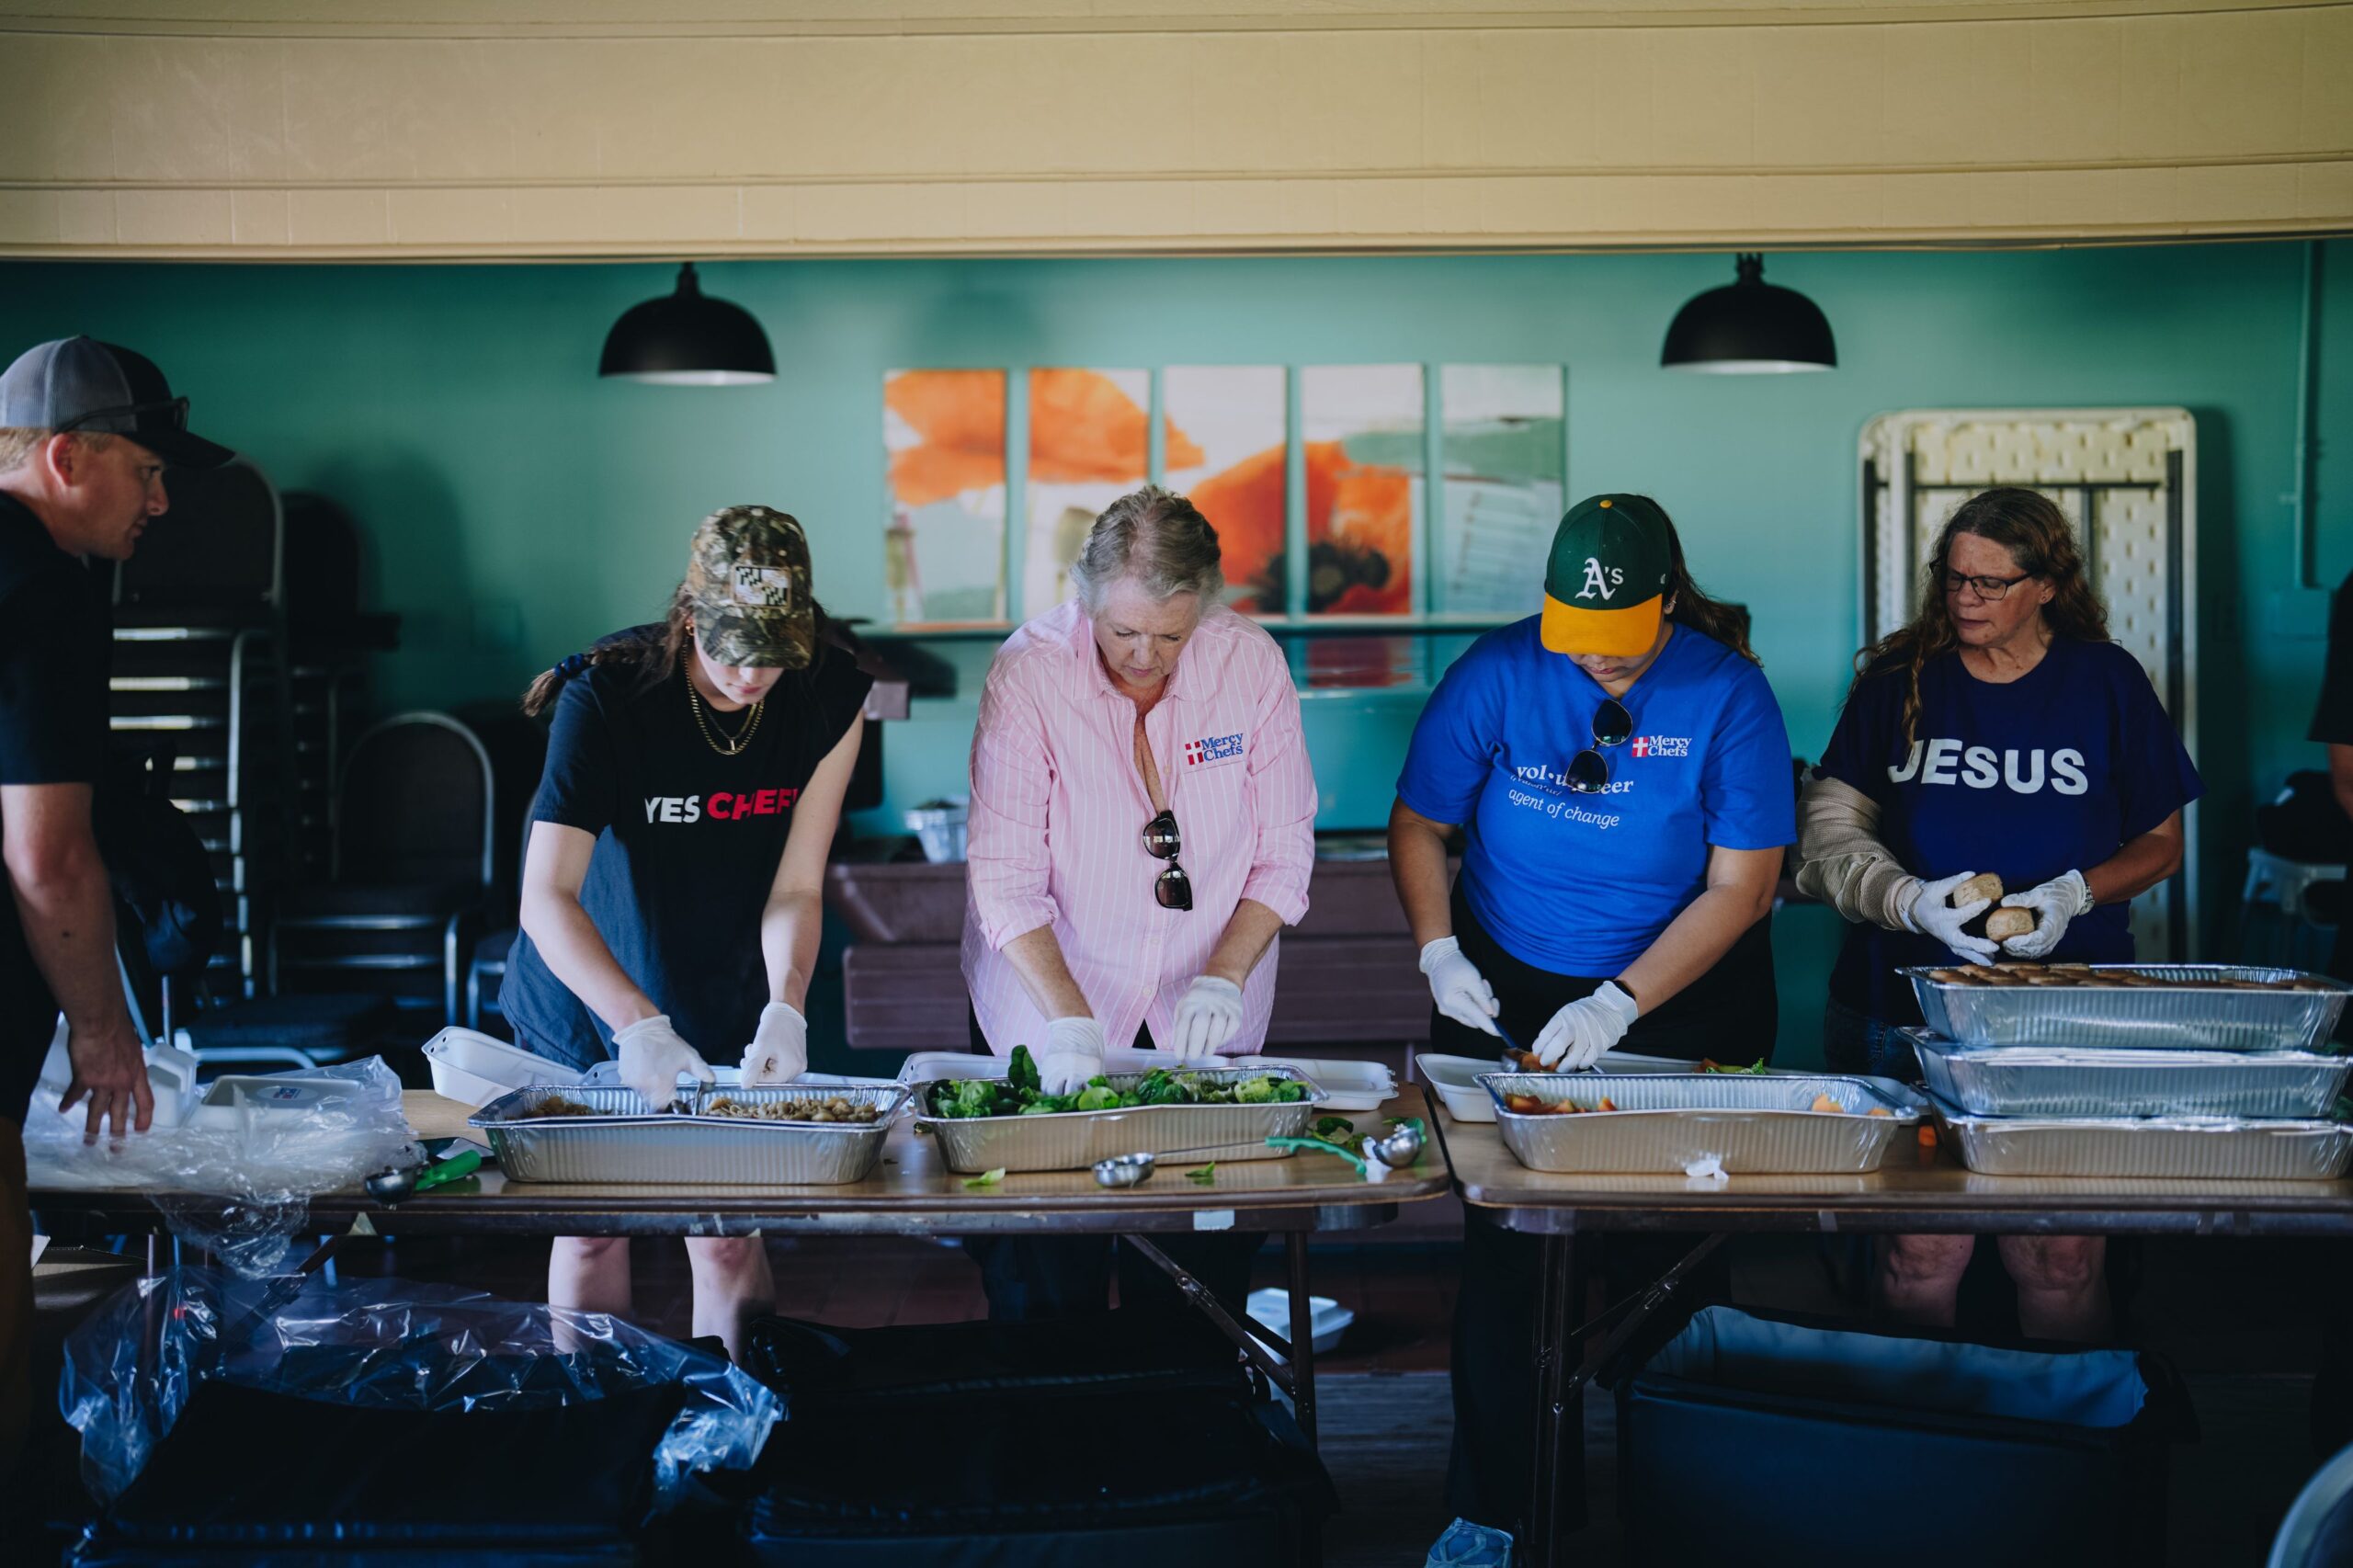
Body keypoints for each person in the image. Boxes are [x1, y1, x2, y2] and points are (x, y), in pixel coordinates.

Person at [1389, 493, 1794, 1537]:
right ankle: (1504, 1518)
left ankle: (1687, 1513)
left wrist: (1621, 1002)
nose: (1598, 666)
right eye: (1580, 645)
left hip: (1685, 996)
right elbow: (1422, 822)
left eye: (1618, 649)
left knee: (1672, 1259)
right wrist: (1438, 950)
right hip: (1506, 990)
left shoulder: (1728, 691)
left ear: (1668, 599)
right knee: (1511, 1260)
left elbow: (1741, 888)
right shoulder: (1495, 671)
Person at [1797, 486, 2200, 1341]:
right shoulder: (1899, 684)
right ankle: (1926, 1458)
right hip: (1901, 1011)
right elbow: (1827, 840)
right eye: (1953, 579)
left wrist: (2072, 894)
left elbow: (2162, 844)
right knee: (1919, 1254)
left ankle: (2060, 1458)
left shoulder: (2108, 682)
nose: (1966, 599)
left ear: (2048, 585)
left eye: (1990, 583)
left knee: (2058, 1258)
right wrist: (1910, 902)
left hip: (2064, 1014)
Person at [500, 506, 870, 1358]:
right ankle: (600, 1427)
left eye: (775, 650)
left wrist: (787, 1005)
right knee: (596, 1227)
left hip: (720, 971)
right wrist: (638, 1024)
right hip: (589, 981)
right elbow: (546, 897)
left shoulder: (827, 697)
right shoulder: (608, 697)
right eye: (733, 646)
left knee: (727, 1231)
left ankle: (740, 1430)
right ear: (690, 615)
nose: (753, 673)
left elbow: (798, 883)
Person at [961, 485, 1315, 1319]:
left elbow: (1283, 852)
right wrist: (1070, 1021)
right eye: (1123, 631)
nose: (1146, 656)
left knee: (1198, 1273)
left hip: (1206, 1010)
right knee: (1048, 1277)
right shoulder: (1029, 673)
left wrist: (1226, 975)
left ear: (1205, 610)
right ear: (1085, 599)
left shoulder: (1251, 663)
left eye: (1171, 635)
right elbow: (1005, 875)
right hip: (1048, 1005)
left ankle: (1195, 1437)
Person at [0, 337, 232, 1479]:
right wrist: (102, 1028)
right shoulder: (40, 586)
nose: (161, 496)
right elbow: (47, 852)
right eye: (144, 467)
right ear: (62, 456)